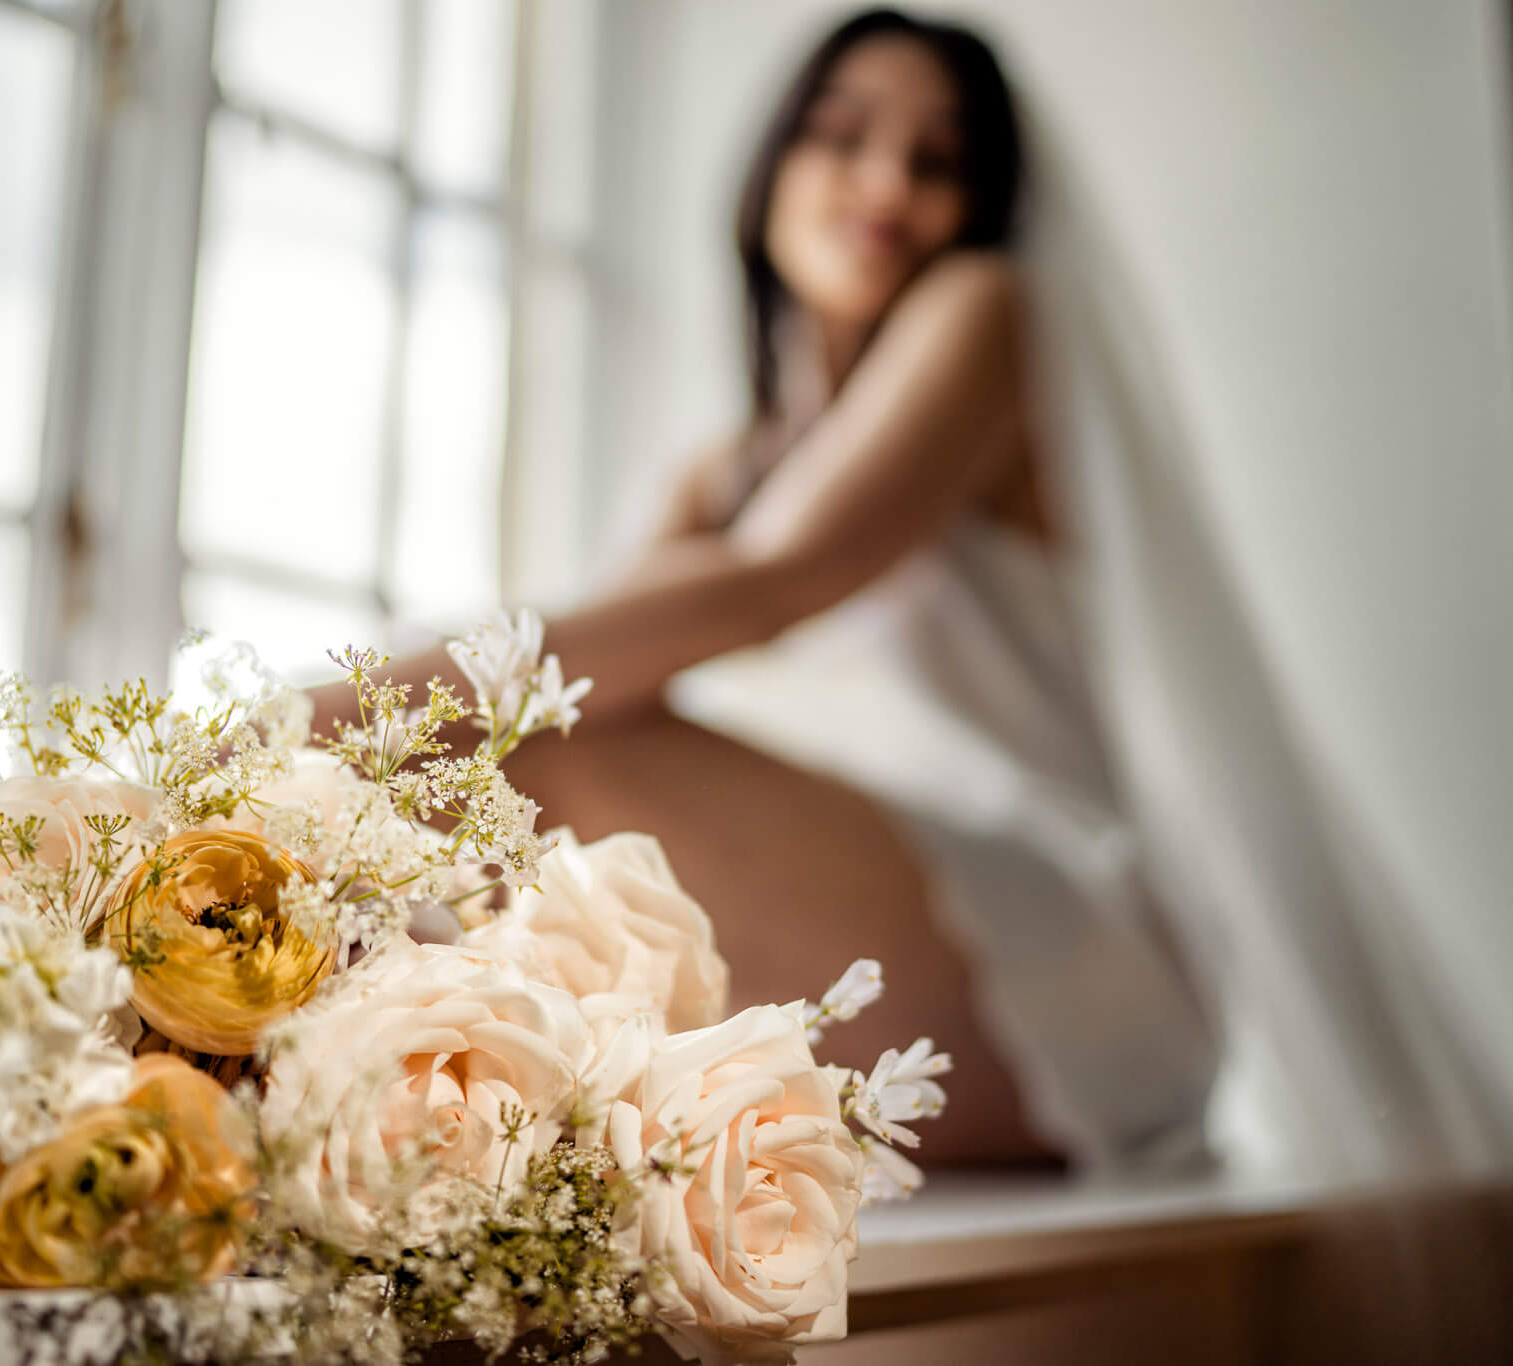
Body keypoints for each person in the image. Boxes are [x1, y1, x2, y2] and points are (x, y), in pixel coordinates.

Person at [312, 7, 1217, 1170]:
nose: (886, 179)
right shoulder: (726, 461)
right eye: (840, 137)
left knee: (512, 765)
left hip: (1061, 934)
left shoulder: (985, 311)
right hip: (900, 912)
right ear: (773, 168)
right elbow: (596, 658)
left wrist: (335, 709)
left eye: (937, 161)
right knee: (478, 791)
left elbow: (769, 579)